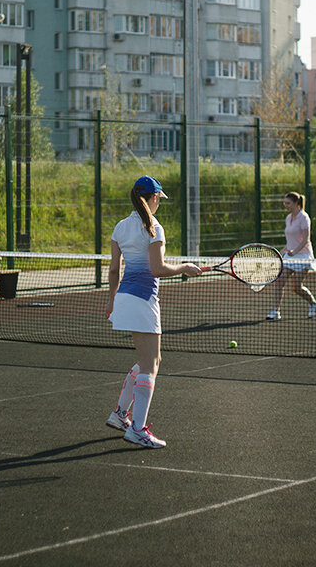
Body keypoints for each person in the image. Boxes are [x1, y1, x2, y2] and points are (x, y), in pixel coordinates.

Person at [105, 176, 202, 448]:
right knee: (151, 365)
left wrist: (112, 301)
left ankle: (119, 415)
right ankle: (136, 429)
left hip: (124, 298)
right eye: (159, 198)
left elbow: (114, 270)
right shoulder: (154, 228)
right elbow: (158, 269)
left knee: (148, 360)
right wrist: (184, 267)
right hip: (143, 300)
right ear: (154, 198)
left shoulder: (120, 227)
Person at [266, 191, 316, 321]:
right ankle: (275, 311)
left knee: (296, 287)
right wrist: (282, 252)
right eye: (285, 203)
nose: (286, 206)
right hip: (290, 256)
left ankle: (314, 303)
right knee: (279, 282)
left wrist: (295, 252)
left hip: (303, 256)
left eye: (288, 203)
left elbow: (306, 239)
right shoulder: (288, 218)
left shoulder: (304, 217)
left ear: (296, 203)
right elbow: (290, 240)